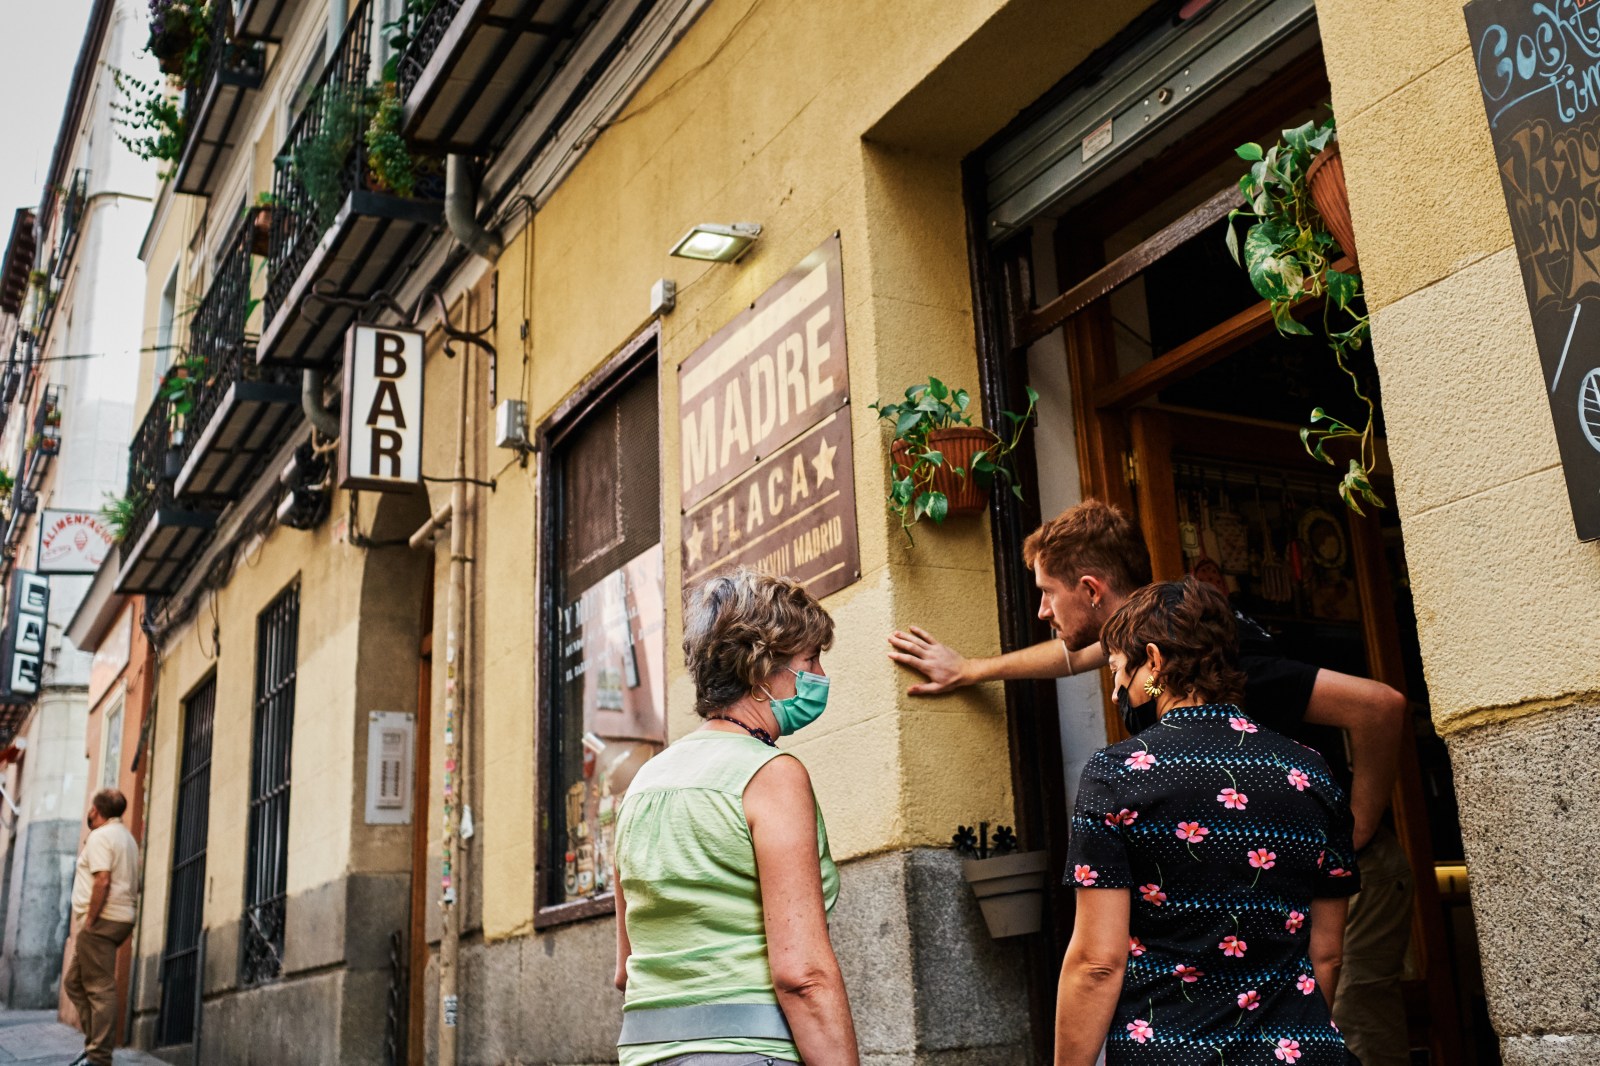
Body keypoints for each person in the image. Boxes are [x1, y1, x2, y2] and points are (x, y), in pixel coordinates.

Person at [887, 500, 1413, 1064]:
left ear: (1093, 592)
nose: (1042, 610)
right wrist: (973, 669)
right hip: (1264, 886)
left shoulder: (1230, 666)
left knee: (1356, 1015)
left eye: (1046, 592)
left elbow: (1380, 706)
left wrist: (1356, 832)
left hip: (1323, 861)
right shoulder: (1164, 646)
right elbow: (1070, 657)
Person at [1057, 578, 1360, 1065]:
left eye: (1118, 670)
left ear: (1153, 662)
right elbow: (1327, 955)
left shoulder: (1116, 775)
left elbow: (1097, 962)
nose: (1116, 688)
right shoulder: (1312, 771)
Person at [614, 568, 859, 1066]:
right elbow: (802, 974)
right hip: (746, 1052)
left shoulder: (641, 785)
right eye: (810, 660)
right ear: (761, 670)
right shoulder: (771, 776)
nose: (821, 678)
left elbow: (625, 969)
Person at [64, 788, 140, 1066]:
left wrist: (91, 920)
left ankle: (98, 1056)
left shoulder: (99, 837)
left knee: (99, 986)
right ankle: (95, 1042)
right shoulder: (127, 839)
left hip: (102, 919)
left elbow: (102, 880)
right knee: (74, 982)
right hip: (121, 917)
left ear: (95, 810)